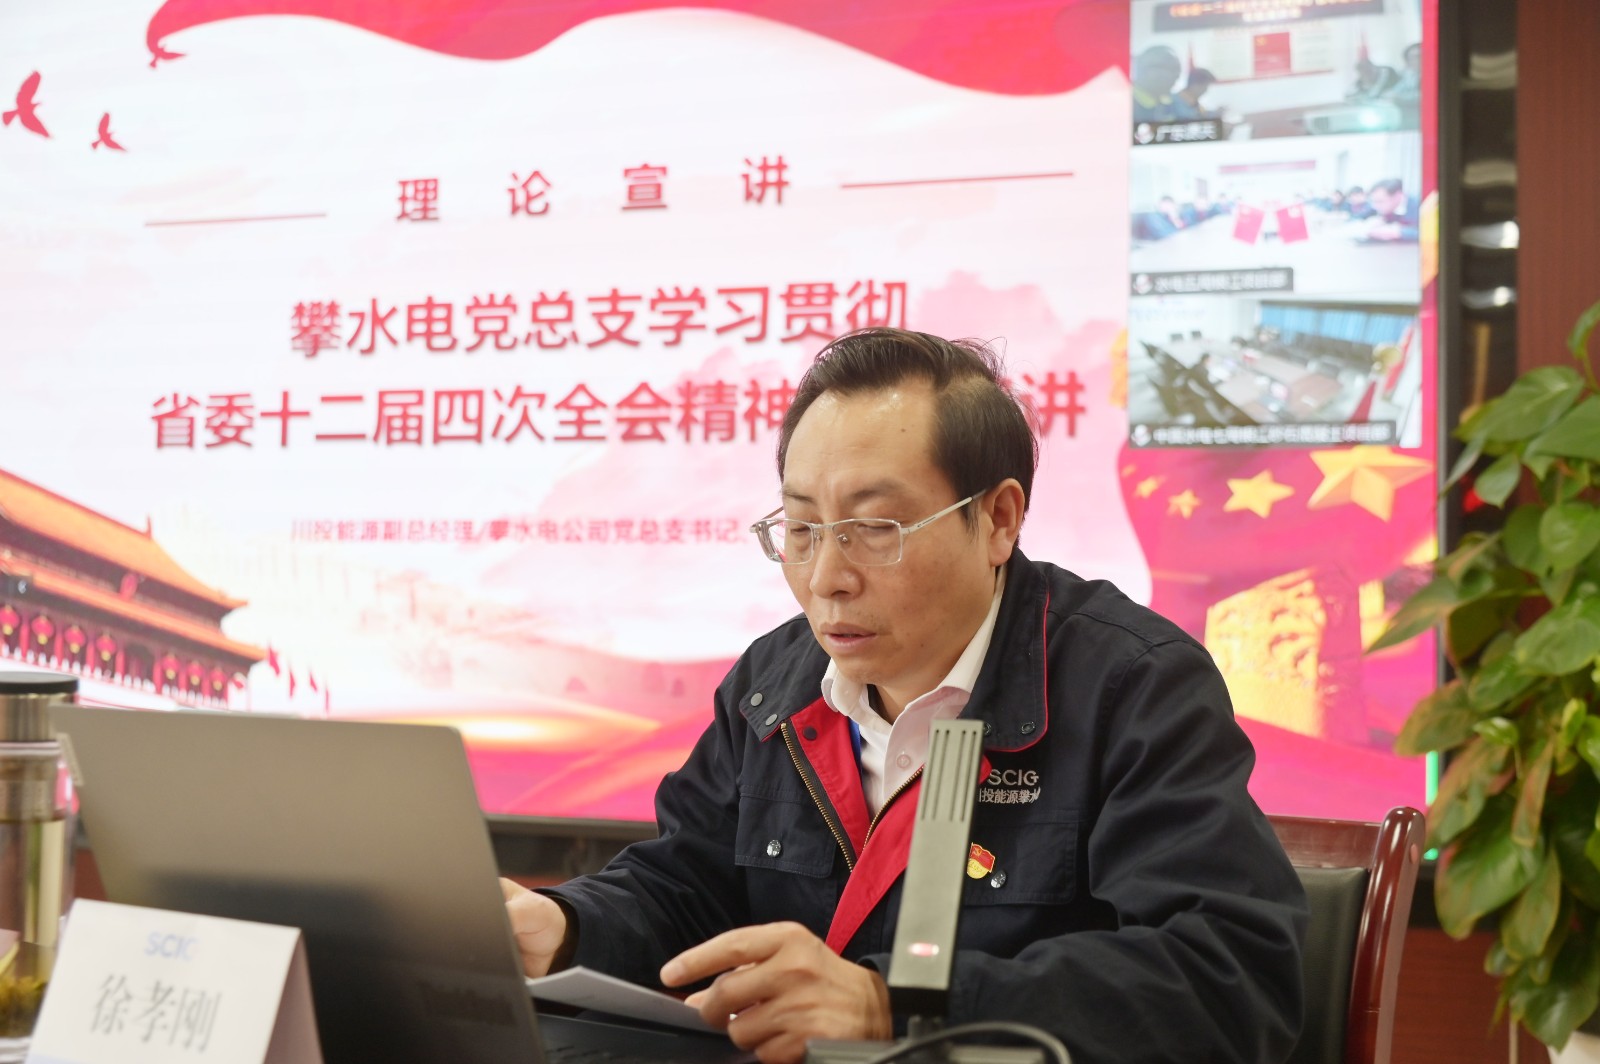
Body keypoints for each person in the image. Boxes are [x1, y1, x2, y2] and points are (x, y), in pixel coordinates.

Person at [502, 329, 1308, 1064]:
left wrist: (897, 1006)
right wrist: (566, 928)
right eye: (802, 529)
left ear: (998, 520)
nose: (827, 578)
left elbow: (1228, 977)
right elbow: (687, 887)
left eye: (875, 529)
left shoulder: (1130, 687)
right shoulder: (773, 684)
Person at [1131, 46, 1183, 123]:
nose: (1177, 75)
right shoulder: (1123, 104)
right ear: (1147, 70)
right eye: (1172, 69)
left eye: (1178, 70)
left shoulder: (1171, 103)